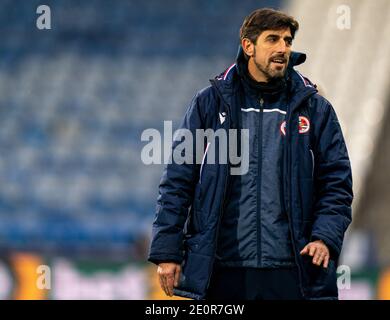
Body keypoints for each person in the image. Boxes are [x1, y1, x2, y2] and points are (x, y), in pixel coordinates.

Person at [147, 8, 353, 300]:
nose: (283, 48)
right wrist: (167, 251)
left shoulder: (315, 108)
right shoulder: (210, 103)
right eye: (273, 39)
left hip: (293, 268)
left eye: (288, 40)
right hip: (222, 269)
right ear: (248, 46)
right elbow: (179, 180)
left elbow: (337, 182)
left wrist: (324, 237)